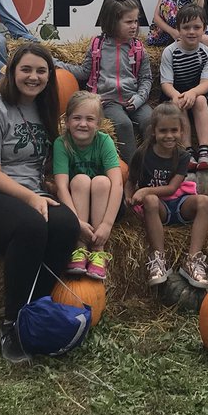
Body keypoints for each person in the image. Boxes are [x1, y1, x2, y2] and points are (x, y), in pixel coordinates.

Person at [0, 43, 81, 363]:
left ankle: (35, 311)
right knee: (31, 226)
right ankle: (12, 325)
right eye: (26, 69)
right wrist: (30, 197)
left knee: (67, 225)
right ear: (12, 72)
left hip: (31, 195)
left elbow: (41, 164)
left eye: (41, 71)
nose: (33, 76)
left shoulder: (45, 108)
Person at [57, 0, 153, 162]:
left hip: (133, 98)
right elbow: (84, 72)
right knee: (123, 124)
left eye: (136, 21)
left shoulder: (138, 48)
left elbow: (146, 78)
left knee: (151, 120)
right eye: (128, 22)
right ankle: (134, 168)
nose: (134, 26)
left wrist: (139, 98)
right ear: (112, 21)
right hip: (108, 101)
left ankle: (152, 163)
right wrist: (54, 63)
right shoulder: (98, 45)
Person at [127, 103, 208, 289]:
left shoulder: (182, 156)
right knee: (150, 199)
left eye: (174, 130)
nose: (169, 135)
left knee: (204, 201)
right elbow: (130, 180)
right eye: (163, 131)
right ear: (153, 132)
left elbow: (173, 188)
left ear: (182, 131)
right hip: (158, 209)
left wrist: (145, 190)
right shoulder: (142, 154)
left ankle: (193, 260)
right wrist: (129, 198)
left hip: (179, 203)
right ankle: (158, 260)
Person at [53, 90, 124, 282]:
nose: (83, 124)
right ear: (67, 121)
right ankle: (80, 247)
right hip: (76, 204)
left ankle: (98, 250)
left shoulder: (104, 141)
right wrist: (76, 222)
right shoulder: (62, 143)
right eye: (77, 118)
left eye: (90, 119)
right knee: (80, 180)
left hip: (104, 202)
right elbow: (61, 187)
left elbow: (117, 184)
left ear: (99, 123)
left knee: (102, 181)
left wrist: (107, 225)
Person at [159, 5, 208, 171]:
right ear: (178, 30)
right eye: (186, 27)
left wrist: (193, 92)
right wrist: (176, 96)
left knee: (200, 100)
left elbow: (206, 83)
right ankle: (187, 152)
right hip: (175, 91)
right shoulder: (170, 52)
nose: (191, 32)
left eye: (197, 27)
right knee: (179, 103)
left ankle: (204, 151)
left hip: (200, 92)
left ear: (204, 29)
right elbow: (166, 83)